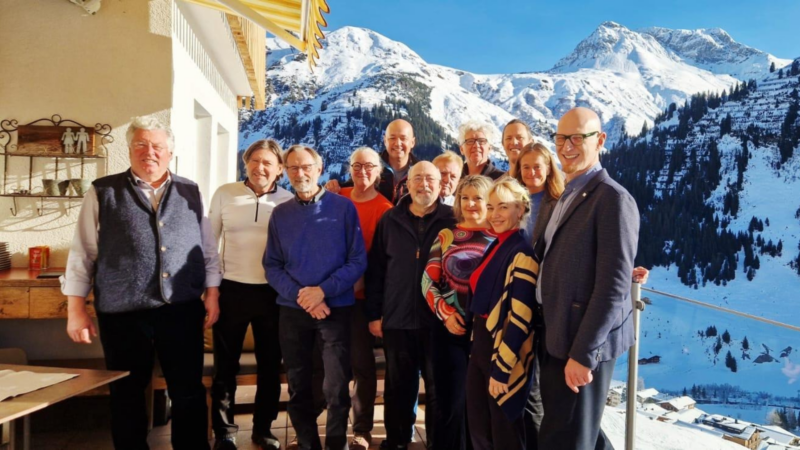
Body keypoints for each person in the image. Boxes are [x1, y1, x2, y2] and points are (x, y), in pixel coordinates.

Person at [62, 116, 220, 450]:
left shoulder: (191, 191)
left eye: (158, 146)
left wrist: (213, 293)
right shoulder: (102, 191)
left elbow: (205, 248)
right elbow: (83, 252)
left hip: (180, 308)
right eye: (141, 144)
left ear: (170, 152)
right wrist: (76, 309)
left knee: (188, 390)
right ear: (130, 149)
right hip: (122, 312)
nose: (150, 152)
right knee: (127, 393)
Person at [535, 107, 640, 449]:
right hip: (555, 334)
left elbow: (614, 286)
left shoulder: (612, 199)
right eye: (562, 137)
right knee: (579, 434)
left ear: (601, 140)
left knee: (568, 439)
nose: (568, 146)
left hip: (580, 342)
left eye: (578, 137)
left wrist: (583, 353)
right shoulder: (565, 194)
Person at [264, 145, 367, 450]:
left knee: (335, 387)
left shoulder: (344, 209)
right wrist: (303, 296)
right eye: (293, 168)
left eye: (306, 167)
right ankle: (308, 444)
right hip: (293, 312)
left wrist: (323, 291)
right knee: (298, 384)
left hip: (336, 310)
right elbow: (272, 265)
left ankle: (336, 444)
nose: (300, 173)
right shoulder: (280, 214)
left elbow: (357, 260)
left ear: (319, 169)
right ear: (285, 172)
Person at [208, 139, 293, 450]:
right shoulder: (225, 194)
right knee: (225, 366)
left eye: (268, 162)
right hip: (231, 289)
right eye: (255, 160)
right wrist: (212, 291)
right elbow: (209, 244)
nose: (261, 167)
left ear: (280, 169)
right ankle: (225, 431)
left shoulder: (287, 200)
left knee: (270, 365)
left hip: (273, 293)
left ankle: (263, 429)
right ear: (246, 163)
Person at [365, 161, 456, 450]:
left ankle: (438, 443)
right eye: (418, 178)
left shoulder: (453, 219)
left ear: (441, 185)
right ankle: (397, 440)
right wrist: (374, 314)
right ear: (408, 184)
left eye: (430, 179)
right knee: (398, 387)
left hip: (439, 322)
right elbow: (376, 271)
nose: (424, 184)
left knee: (438, 387)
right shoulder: (390, 219)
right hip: (396, 318)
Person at [422, 175, 496, 450]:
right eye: (465, 198)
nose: (470, 204)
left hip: (488, 334)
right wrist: (445, 314)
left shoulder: (499, 236)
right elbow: (427, 281)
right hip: (449, 330)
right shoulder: (446, 235)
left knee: (481, 406)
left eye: (478, 197)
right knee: (449, 405)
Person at [466, 177, 538, 450]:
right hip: (482, 346)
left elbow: (520, 319)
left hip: (503, 353)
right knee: (480, 430)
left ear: (520, 210)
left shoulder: (522, 253)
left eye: (503, 207)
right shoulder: (496, 245)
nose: (494, 214)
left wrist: (502, 368)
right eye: (491, 207)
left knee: (504, 435)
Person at [337, 147, 394, 450]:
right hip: (332, 296)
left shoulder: (384, 208)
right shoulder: (337, 196)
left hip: (360, 298)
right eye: (357, 165)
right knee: (328, 363)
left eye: (369, 166)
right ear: (349, 168)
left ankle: (362, 429)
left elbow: (382, 262)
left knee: (362, 365)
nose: (362, 172)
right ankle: (325, 424)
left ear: (378, 172)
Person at [327, 119, 418, 204]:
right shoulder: (371, 165)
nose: (398, 143)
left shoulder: (420, 171)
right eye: (392, 138)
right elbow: (354, 185)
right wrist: (334, 185)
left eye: (403, 138)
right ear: (385, 140)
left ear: (412, 142)